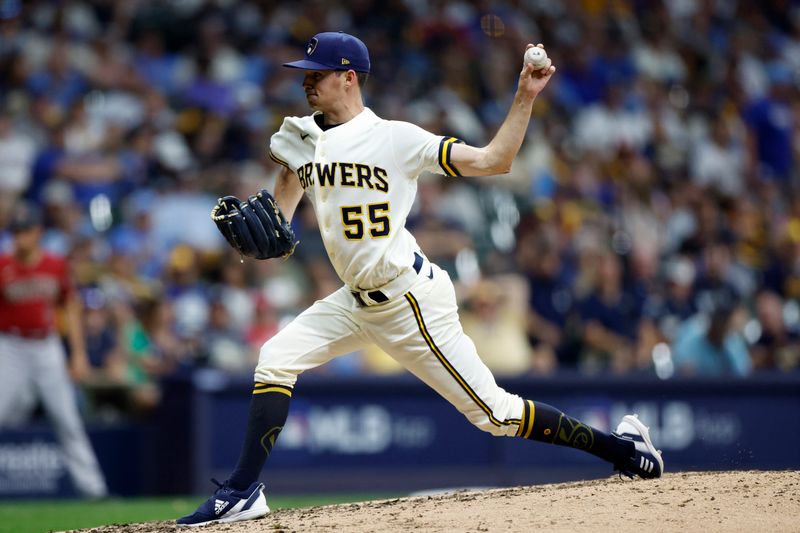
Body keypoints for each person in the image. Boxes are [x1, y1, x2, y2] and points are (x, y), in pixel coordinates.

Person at [178, 32, 664, 527]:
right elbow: (279, 225)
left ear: (349, 78)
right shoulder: (300, 138)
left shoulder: (396, 138)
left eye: (317, 74)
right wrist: (260, 238)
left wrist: (525, 95)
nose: (307, 83)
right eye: (305, 74)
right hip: (354, 301)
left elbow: (495, 160)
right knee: (276, 358)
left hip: (409, 301)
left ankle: (622, 449)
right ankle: (243, 491)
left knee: (496, 415)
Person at [0, 203, 108, 498]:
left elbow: (71, 307)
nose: (19, 237)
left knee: (67, 419)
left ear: (38, 232)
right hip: (9, 346)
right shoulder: (3, 265)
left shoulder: (55, 264)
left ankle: (93, 490)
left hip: (46, 347)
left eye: (24, 231)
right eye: (15, 232)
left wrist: (78, 353)